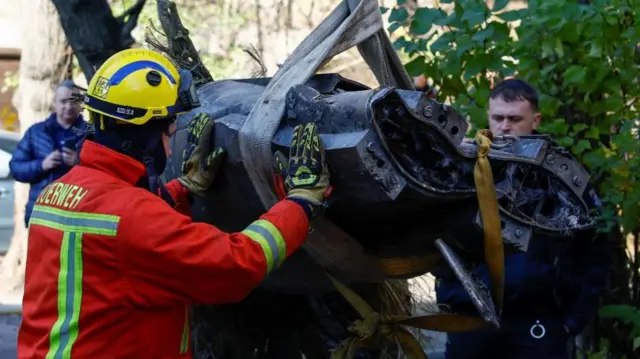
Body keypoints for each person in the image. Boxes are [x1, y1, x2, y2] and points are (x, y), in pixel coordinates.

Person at [17, 48, 331, 359]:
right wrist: (301, 202)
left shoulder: (57, 193)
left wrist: (182, 189)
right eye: (168, 128)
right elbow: (233, 266)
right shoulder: (129, 216)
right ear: (142, 134)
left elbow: (126, 239)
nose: (171, 141)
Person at [435, 79, 610, 359]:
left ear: (535, 120)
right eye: (498, 118)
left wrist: (571, 322)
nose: (505, 126)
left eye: (515, 118)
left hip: (538, 324)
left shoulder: (561, 175)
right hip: (471, 320)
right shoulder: (461, 170)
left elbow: (595, 249)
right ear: (488, 117)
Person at [9, 80, 87, 226]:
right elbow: (15, 168)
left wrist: (79, 163)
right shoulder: (36, 132)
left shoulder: (91, 133)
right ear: (54, 103)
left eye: (73, 101)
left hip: (79, 212)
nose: (68, 106)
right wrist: (42, 165)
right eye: (63, 101)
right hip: (41, 212)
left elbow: (107, 171)